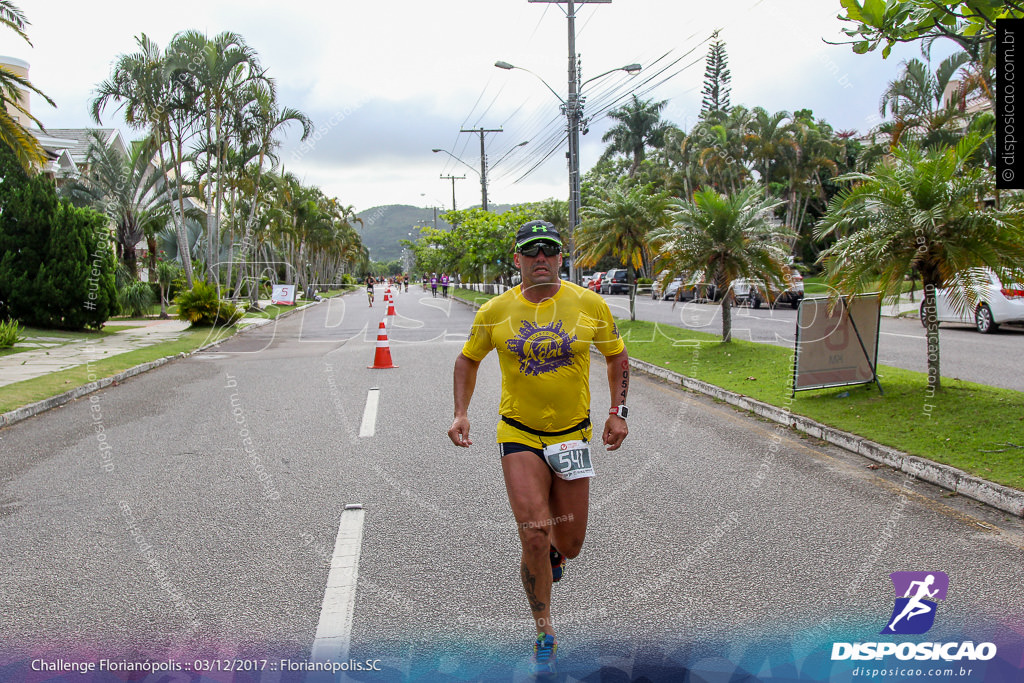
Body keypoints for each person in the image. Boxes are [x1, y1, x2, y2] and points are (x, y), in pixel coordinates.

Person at [447, 220, 629, 675]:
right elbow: (468, 359)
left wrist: (618, 412)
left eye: (549, 250)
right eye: (532, 252)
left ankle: (555, 554)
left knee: (570, 540)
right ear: (518, 260)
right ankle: (544, 629)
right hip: (519, 432)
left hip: (572, 434)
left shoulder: (588, 304)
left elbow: (617, 356)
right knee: (533, 531)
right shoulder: (494, 311)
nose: (541, 259)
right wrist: (461, 412)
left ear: (561, 257)